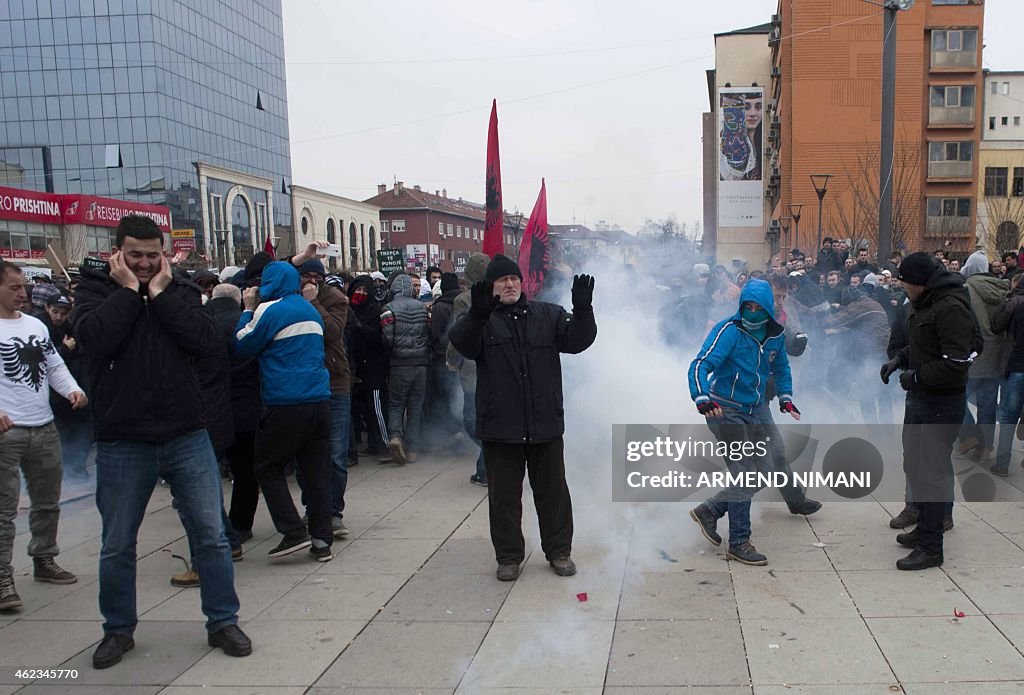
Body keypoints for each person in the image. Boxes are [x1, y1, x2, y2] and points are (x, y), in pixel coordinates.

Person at [72, 215, 250, 668]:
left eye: (153, 255)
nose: (146, 263)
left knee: (209, 535)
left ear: (164, 254)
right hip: (122, 440)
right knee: (117, 543)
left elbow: (206, 340)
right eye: (136, 256)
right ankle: (118, 629)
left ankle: (222, 620)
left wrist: (159, 293)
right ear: (118, 254)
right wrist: (131, 292)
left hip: (186, 433)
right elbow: (96, 340)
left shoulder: (182, 290)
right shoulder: (94, 291)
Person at [450, 255, 597, 580]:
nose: (510, 284)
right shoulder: (483, 320)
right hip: (501, 427)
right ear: (491, 286)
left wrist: (583, 310)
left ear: (522, 283)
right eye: (502, 280)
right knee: (504, 498)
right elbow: (462, 344)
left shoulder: (547, 314)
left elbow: (578, 340)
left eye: (513, 279)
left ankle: (559, 551)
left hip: (544, 423)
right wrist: (477, 313)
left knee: (553, 493)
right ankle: (509, 557)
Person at [688, 278, 803, 566]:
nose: (752, 312)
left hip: (755, 408)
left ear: (766, 309)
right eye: (747, 307)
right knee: (745, 471)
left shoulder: (775, 334)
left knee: (765, 470)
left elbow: (781, 366)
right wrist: (701, 397)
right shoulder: (729, 330)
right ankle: (739, 541)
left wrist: (785, 397)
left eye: (757, 307)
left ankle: (711, 510)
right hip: (724, 410)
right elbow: (701, 364)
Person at [880, 252, 977, 570]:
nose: (902, 287)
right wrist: (901, 360)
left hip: (941, 403)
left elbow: (956, 363)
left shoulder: (950, 306)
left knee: (932, 473)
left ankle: (932, 546)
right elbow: (926, 344)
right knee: (916, 466)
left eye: (905, 282)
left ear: (920, 282)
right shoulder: (927, 303)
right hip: (920, 401)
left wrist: (917, 376)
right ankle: (923, 527)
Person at [0, 260, 87, 613]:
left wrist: (72, 390)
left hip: (44, 425)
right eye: (14, 287)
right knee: (4, 510)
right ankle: (2, 576)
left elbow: (53, 365)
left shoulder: (35, 325)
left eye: (23, 287)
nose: (24, 293)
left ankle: (44, 557)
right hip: (8, 432)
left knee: (47, 501)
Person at [233, 261, 334, 562]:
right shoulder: (309, 309)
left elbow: (243, 345)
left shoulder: (270, 309)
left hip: (286, 402)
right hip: (320, 399)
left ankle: (292, 531)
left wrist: (248, 309)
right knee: (317, 474)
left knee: (266, 466)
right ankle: (321, 540)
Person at [289, 247, 352, 541]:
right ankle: (313, 507)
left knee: (336, 454)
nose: (311, 280)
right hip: (303, 385)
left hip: (335, 384)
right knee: (306, 453)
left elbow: (332, 332)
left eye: (317, 276)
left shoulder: (336, 299)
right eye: (306, 275)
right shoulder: (288, 299)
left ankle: (334, 512)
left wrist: (313, 303)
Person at [956, 251, 1009, 463]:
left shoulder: (966, 289)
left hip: (973, 353)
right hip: (996, 356)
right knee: (988, 405)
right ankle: (986, 448)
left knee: (957, 398)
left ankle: (969, 436)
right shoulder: (1002, 289)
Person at [448, 253, 490, 485]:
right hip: (495, 367)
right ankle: (486, 468)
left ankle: (491, 461)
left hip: (473, 367)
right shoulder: (499, 294)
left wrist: (452, 359)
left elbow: (459, 334)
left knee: (471, 419)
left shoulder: (465, 299)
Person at [380, 273, 430, 464]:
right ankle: (413, 450)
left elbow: (387, 340)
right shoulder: (422, 308)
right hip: (421, 364)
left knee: (396, 404)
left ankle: (394, 437)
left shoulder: (388, 309)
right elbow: (428, 332)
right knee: (415, 407)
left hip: (399, 364)